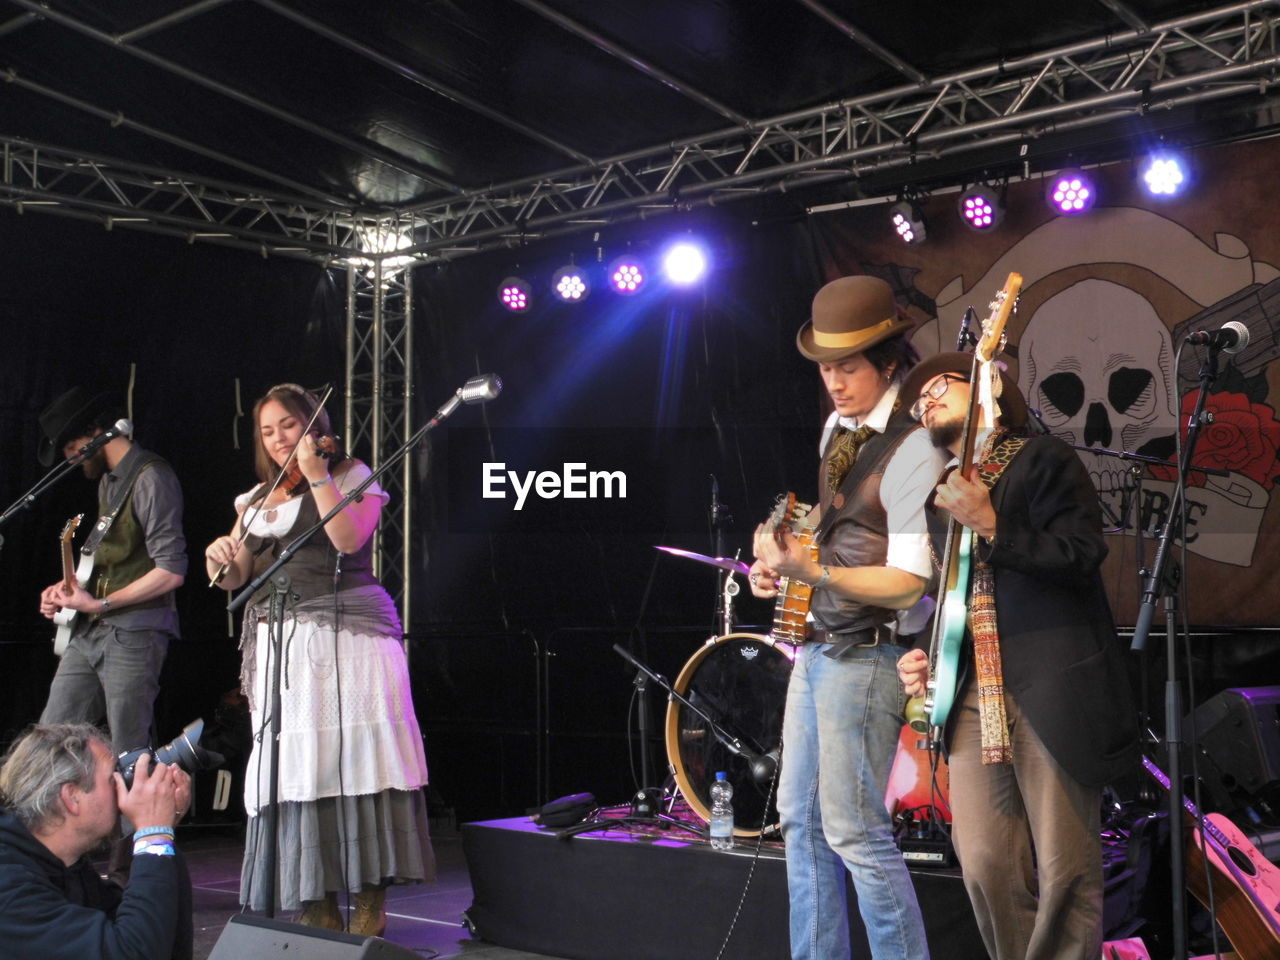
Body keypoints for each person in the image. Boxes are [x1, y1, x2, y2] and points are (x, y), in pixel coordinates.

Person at [896, 353, 1138, 960]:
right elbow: (956, 593)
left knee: (1065, 867)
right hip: (972, 690)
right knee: (982, 862)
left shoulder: (1044, 458)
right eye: (916, 402)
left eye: (937, 389)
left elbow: (1082, 553)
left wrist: (993, 525)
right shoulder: (946, 492)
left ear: (989, 386)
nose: (926, 404)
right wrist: (930, 658)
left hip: (1050, 682)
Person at [749, 276, 947, 960]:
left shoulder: (914, 444)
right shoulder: (840, 429)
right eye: (826, 368)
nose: (834, 381)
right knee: (798, 821)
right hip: (821, 648)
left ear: (888, 361)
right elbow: (832, 528)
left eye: (849, 367)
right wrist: (777, 558)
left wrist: (818, 573)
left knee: (855, 830)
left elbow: (909, 582)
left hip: (872, 653)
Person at [205, 382, 434, 935]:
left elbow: (348, 539)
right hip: (282, 647)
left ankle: (371, 901)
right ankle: (317, 900)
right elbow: (233, 576)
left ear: (311, 423)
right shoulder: (254, 501)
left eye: (288, 424)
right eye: (268, 431)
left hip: (350, 639)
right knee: (300, 771)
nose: (280, 438)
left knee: (358, 760)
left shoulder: (350, 474)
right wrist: (222, 557)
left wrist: (316, 476)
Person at [36, 386, 188, 882]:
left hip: (136, 632)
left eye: (68, 447)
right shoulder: (109, 485)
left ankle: (131, 873)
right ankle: (45, 860)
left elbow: (171, 570)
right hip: (92, 630)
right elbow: (110, 566)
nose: (67, 458)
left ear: (93, 435)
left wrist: (99, 602)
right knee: (51, 738)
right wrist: (67, 591)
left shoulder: (151, 477)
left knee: (129, 750)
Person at [0, 722, 192, 960]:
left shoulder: (63, 864)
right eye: (114, 779)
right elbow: (130, 953)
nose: (124, 790)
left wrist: (163, 832)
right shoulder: (9, 889)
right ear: (72, 797)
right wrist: (154, 836)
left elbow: (157, 935)